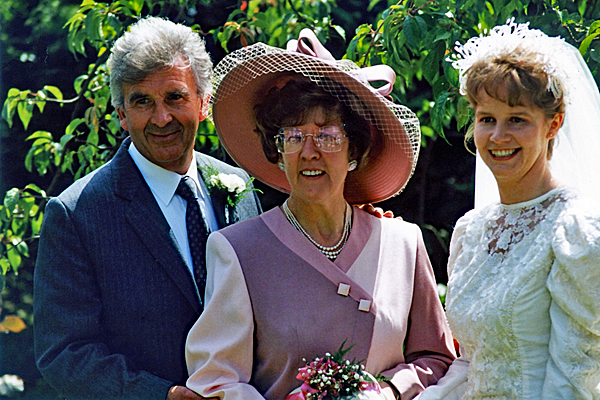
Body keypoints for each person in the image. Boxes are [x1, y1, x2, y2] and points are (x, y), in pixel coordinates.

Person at [185, 29, 456, 400]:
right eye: (293, 137)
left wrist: (389, 392)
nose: (309, 152)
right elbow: (215, 381)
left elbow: (436, 358)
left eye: (327, 135)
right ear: (277, 151)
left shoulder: (403, 243)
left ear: (354, 150)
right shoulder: (236, 250)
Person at [33, 17, 261, 400]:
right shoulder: (76, 214)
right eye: (142, 102)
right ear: (121, 114)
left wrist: (358, 221)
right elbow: (64, 354)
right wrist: (163, 396)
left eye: (175, 97)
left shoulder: (241, 187)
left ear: (203, 103)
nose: (162, 118)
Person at [416, 19, 600, 399]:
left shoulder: (576, 230)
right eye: (487, 119)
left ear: (553, 124)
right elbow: (471, 362)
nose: (498, 137)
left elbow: (576, 376)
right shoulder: (472, 230)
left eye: (517, 119)